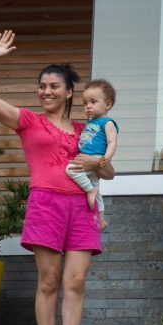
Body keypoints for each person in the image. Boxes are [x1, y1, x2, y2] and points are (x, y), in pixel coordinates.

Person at [0, 29, 113, 325]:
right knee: (49, 280)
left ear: (69, 92)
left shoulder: (86, 129)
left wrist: (97, 162)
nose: (46, 92)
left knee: (76, 280)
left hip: (83, 207)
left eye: (54, 86)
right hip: (46, 204)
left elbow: (108, 173)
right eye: (42, 86)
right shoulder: (29, 121)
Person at [66, 79, 119, 231]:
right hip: (89, 157)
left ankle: (89, 191)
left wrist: (105, 159)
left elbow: (112, 142)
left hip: (96, 157)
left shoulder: (107, 122)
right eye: (85, 103)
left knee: (70, 170)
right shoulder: (91, 123)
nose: (88, 106)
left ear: (107, 104)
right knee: (97, 189)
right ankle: (101, 220)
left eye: (93, 102)